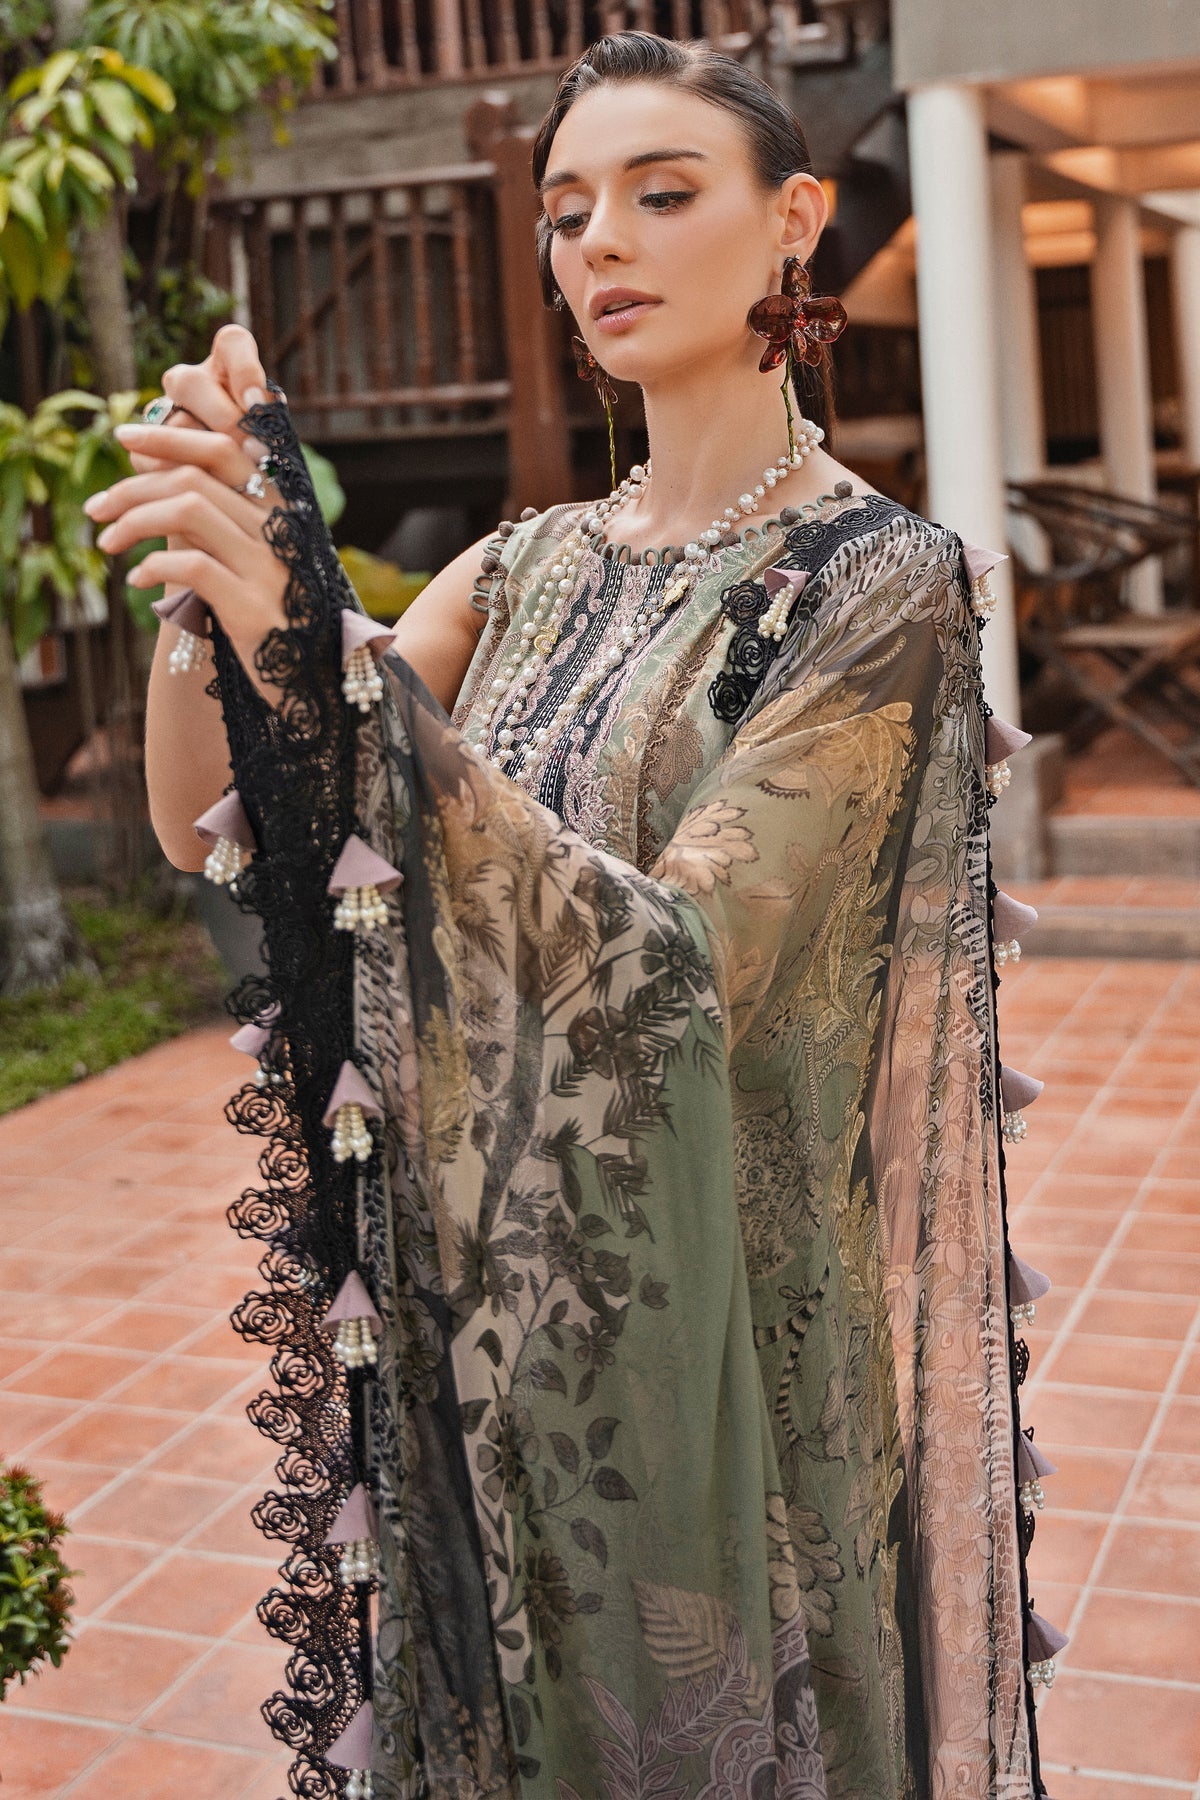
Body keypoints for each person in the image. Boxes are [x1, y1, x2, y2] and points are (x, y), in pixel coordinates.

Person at [88, 31, 1061, 1800]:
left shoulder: (877, 586)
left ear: (797, 220)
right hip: (498, 1293)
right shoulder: (522, 566)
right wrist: (219, 583)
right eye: (565, 211)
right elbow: (214, 821)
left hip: (728, 1327)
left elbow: (676, 964)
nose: (598, 238)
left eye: (660, 193)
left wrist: (330, 657)